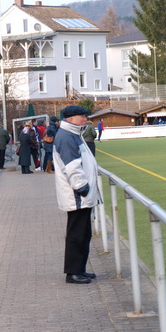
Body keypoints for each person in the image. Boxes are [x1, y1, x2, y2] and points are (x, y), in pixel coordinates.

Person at [53, 105, 101, 284]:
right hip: (77, 195)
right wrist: (82, 187)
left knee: (83, 233)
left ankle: (79, 269)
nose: (85, 119)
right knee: (76, 234)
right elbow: (72, 166)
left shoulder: (73, 134)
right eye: (82, 116)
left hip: (80, 194)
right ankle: (73, 272)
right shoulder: (67, 137)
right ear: (70, 118)